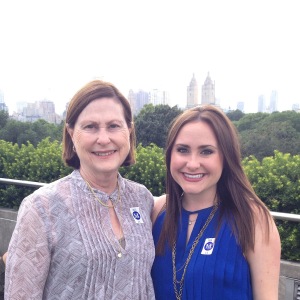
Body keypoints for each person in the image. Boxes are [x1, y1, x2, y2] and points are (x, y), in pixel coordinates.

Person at [5, 80, 155, 299]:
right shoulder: (41, 208)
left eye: (114, 126)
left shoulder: (142, 198)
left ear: (129, 132)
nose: (103, 139)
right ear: (71, 133)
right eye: (90, 127)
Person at [151, 105, 281, 300]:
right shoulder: (158, 210)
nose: (193, 163)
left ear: (226, 157)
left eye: (206, 152)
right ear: (170, 155)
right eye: (183, 150)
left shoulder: (253, 219)